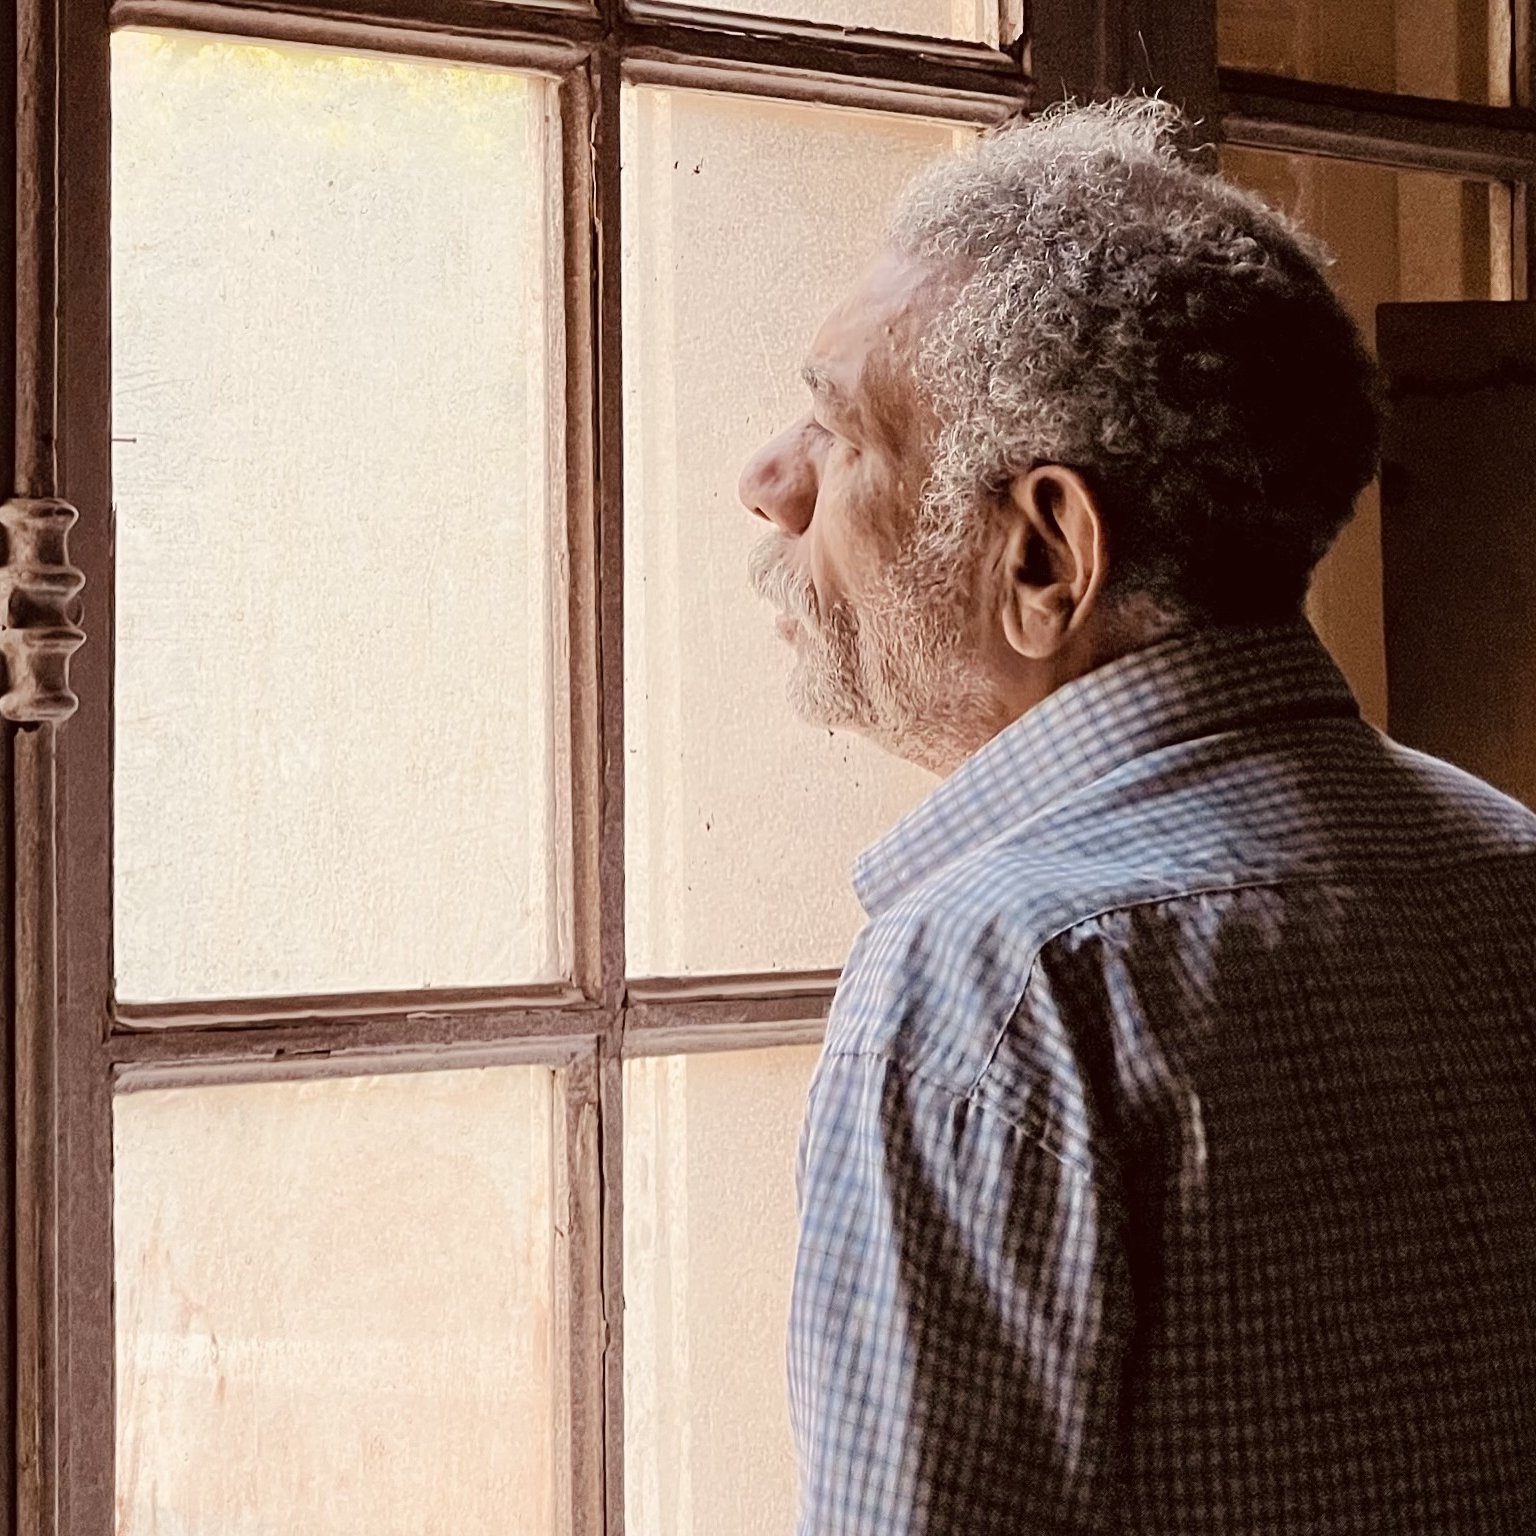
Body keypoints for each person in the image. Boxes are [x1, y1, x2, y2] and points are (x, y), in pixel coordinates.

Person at [738, 96, 1536, 1535]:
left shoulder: (991, 984)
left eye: (839, 429)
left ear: (1046, 552)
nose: (768, 483)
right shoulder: (1510, 860)